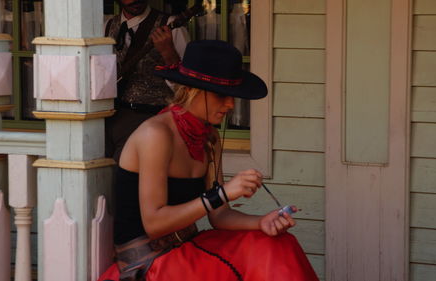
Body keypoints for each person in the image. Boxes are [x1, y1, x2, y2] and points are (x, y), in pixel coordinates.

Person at [98, 40, 319, 281]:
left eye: (233, 96)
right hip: (147, 263)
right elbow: (154, 223)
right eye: (222, 95)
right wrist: (222, 194)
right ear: (194, 90)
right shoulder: (156, 135)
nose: (231, 105)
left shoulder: (209, 137)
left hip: (188, 249)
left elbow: (220, 215)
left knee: (278, 244)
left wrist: (262, 222)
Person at [105, 0, 190, 162]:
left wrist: (168, 52)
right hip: (108, 118)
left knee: (124, 179)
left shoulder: (171, 25)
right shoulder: (108, 25)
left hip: (148, 118)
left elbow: (188, 87)